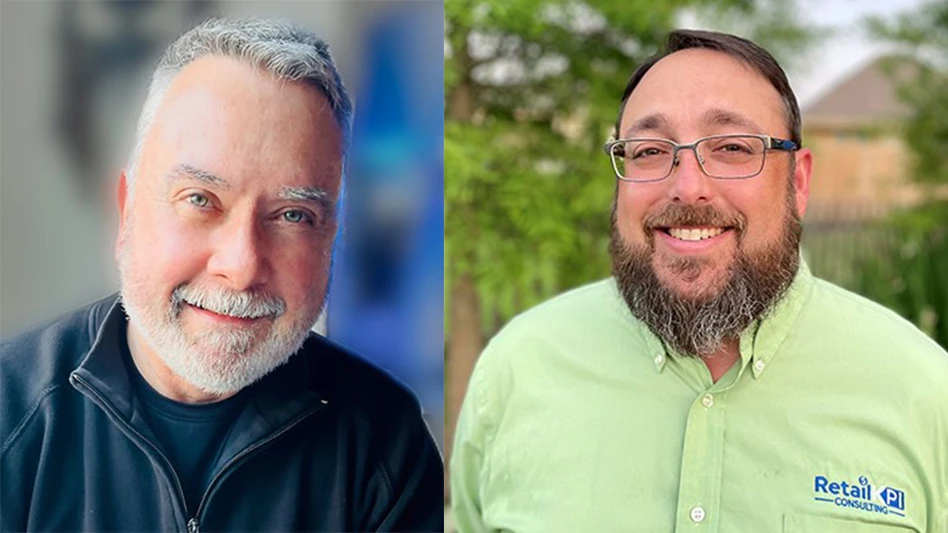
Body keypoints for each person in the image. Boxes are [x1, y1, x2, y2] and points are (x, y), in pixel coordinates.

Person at [450, 29, 948, 532]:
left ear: (798, 181)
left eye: (732, 147)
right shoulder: (514, 372)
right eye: (648, 151)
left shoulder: (925, 394)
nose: (688, 186)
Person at [0, 18, 442, 532]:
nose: (242, 265)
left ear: (332, 237)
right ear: (126, 212)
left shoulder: (384, 444)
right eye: (200, 200)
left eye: (293, 215)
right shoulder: (10, 413)